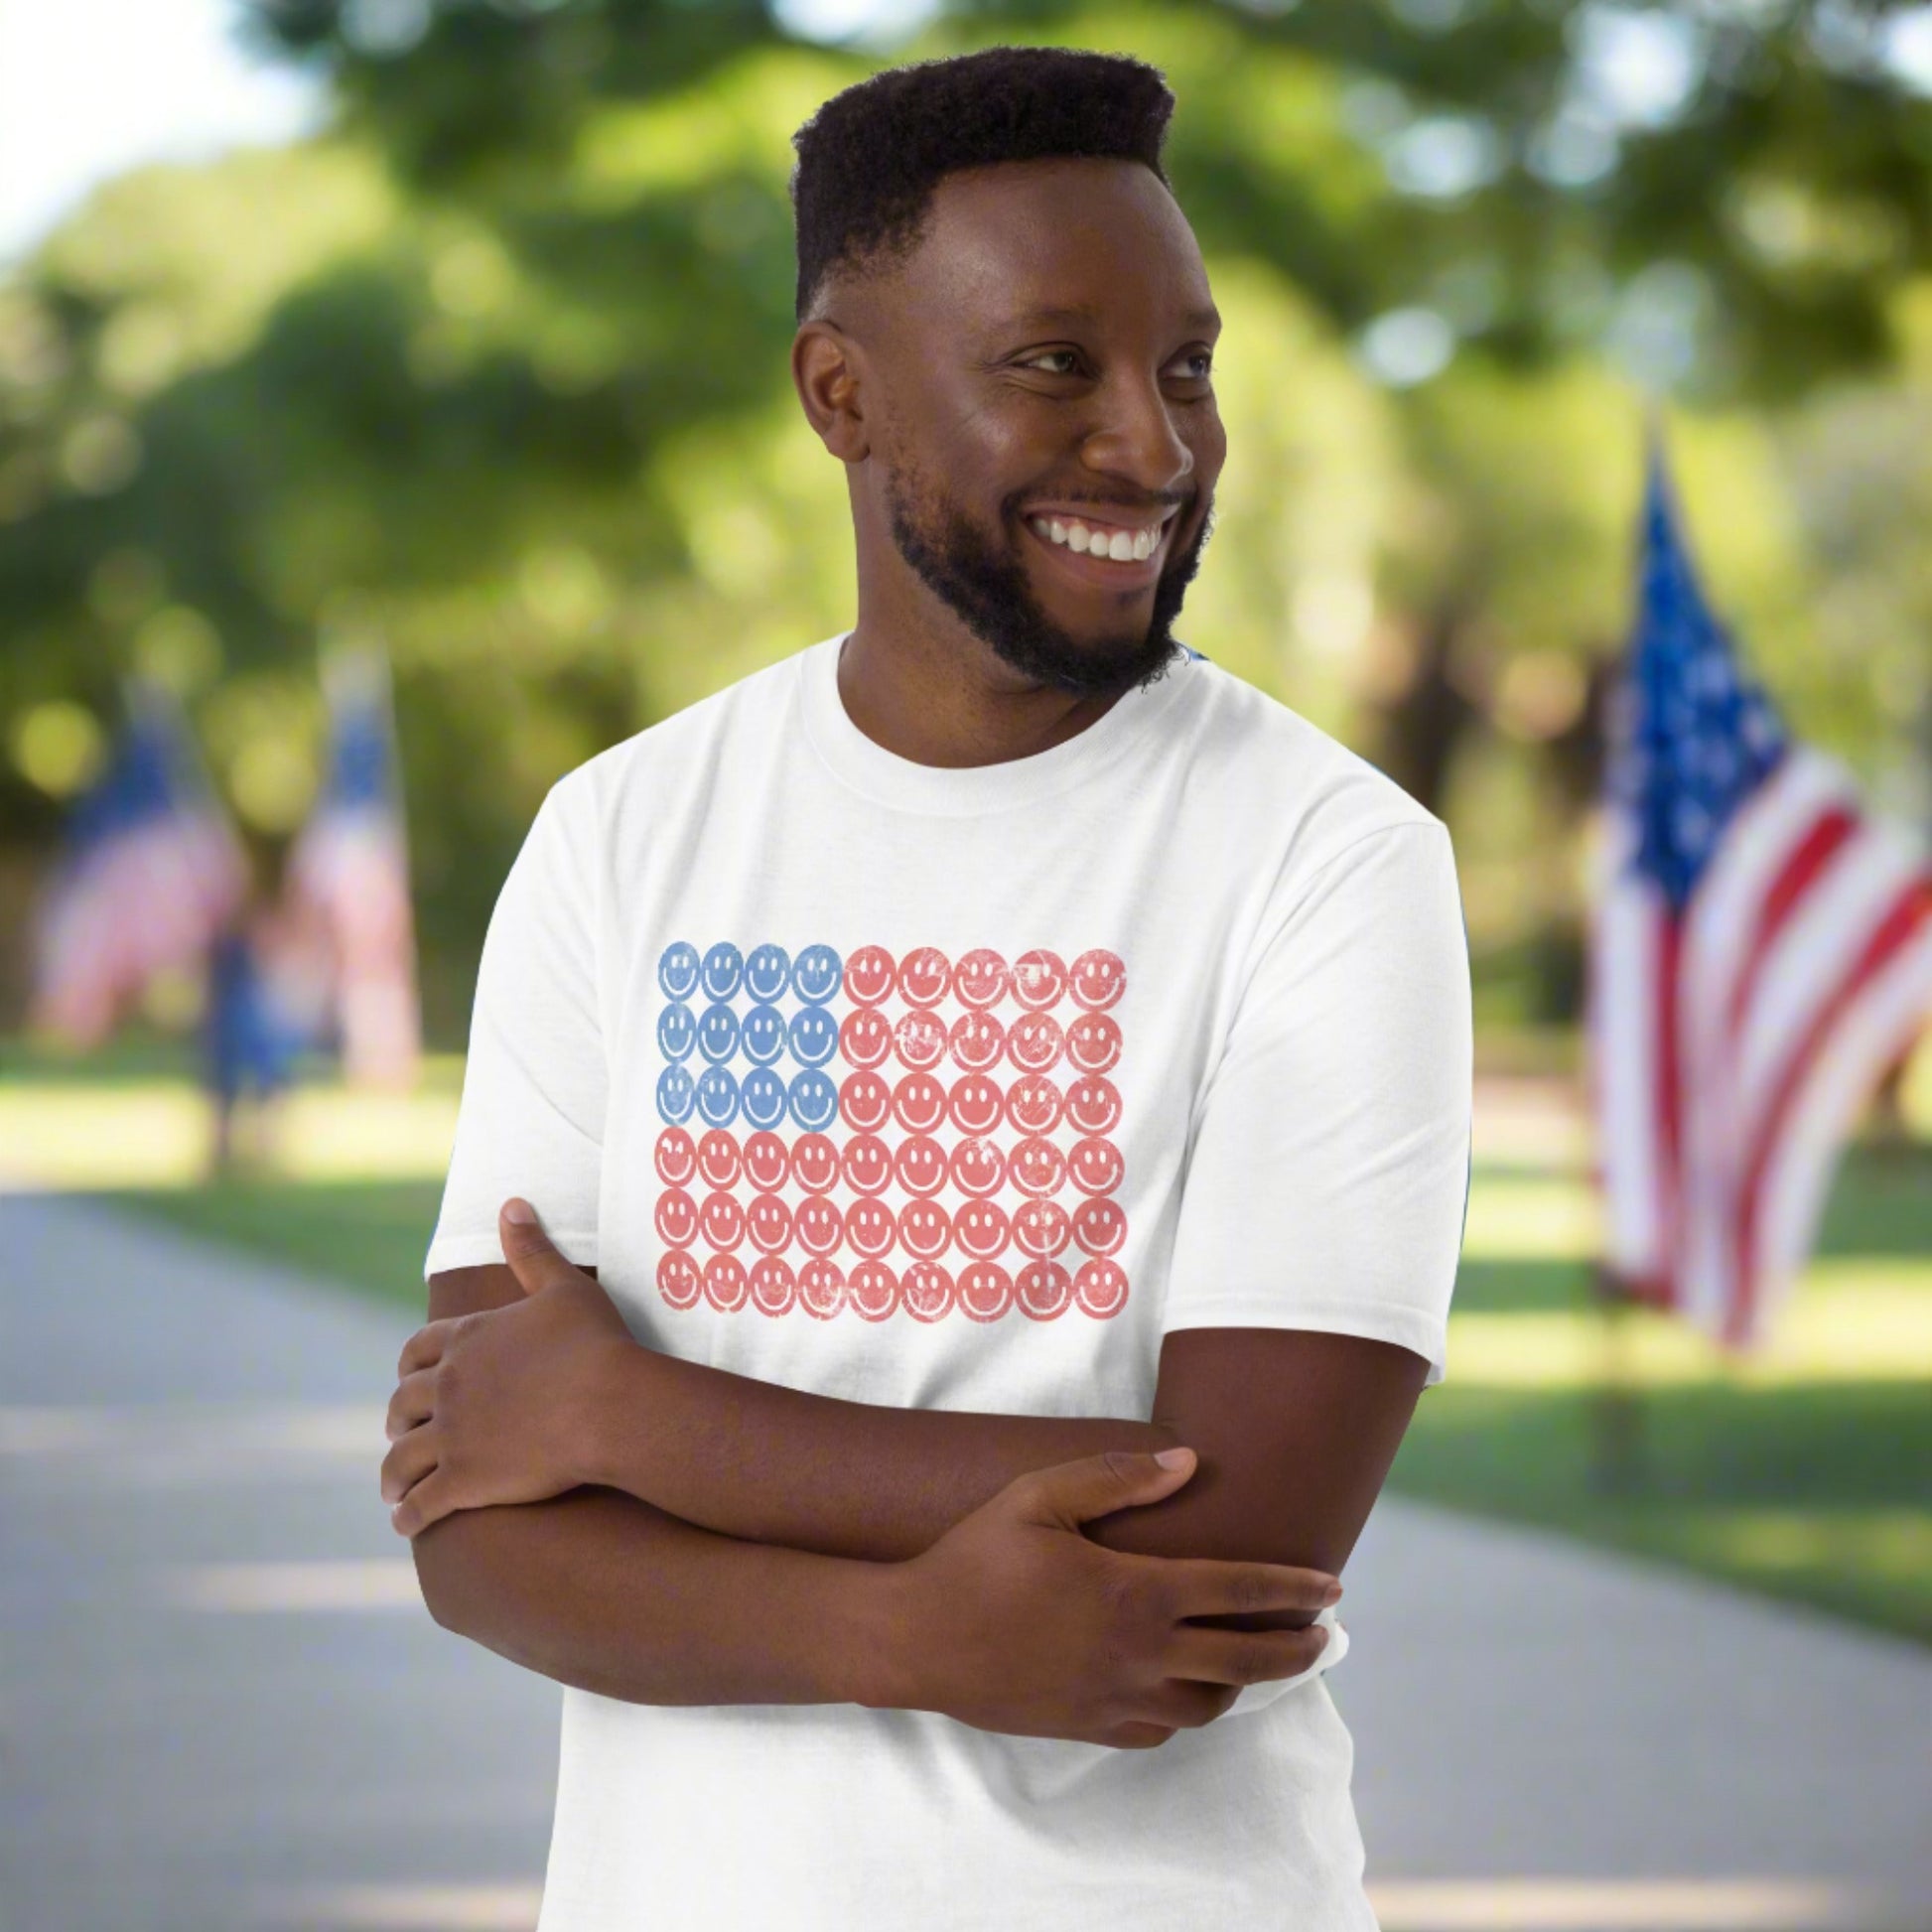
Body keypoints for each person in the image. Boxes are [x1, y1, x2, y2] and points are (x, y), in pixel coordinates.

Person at [380, 45, 1471, 1930]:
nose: (1154, 443)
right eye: (1055, 364)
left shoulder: (1330, 853)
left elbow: (1235, 1541)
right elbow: (479, 1522)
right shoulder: (619, 835)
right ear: (842, 393)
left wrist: (633, 1422)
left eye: (1187, 366)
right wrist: (903, 1628)